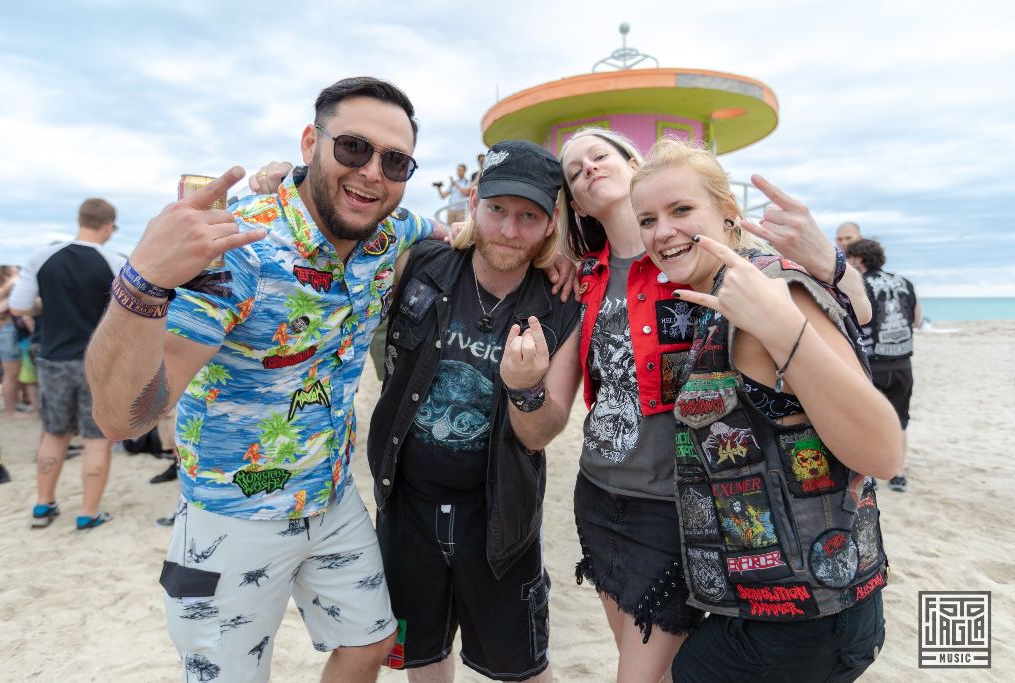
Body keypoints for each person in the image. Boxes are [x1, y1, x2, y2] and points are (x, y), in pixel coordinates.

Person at [85, 77, 450, 683]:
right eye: (354, 148)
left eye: (395, 161)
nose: (371, 173)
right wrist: (142, 283)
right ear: (312, 141)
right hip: (232, 516)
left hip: (330, 494)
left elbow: (443, 231)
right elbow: (122, 418)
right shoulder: (237, 248)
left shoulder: (388, 229)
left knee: (372, 643)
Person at [555, 128, 873, 681]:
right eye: (573, 170)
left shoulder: (708, 261)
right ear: (575, 202)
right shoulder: (582, 275)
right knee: (641, 658)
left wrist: (832, 263)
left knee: (647, 672)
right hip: (601, 496)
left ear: (636, 164)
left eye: (599, 155)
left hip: (679, 506)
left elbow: (849, 313)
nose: (587, 170)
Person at [629, 138, 901, 681]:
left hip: (806, 621)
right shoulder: (721, 293)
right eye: (647, 218)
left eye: (682, 210)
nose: (662, 231)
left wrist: (783, 327)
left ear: (729, 214)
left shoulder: (773, 290)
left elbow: (883, 450)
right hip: (776, 611)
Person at [368, 140, 581, 682]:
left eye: (529, 216)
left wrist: (524, 388)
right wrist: (281, 183)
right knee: (420, 655)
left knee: (523, 668)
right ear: (473, 199)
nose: (510, 231)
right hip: (406, 506)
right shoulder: (420, 264)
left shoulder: (561, 302)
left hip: (501, 521)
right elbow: (338, 235)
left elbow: (540, 434)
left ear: (551, 220)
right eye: (497, 210)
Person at [9, 199, 123, 529]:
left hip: (54, 357)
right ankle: (88, 512)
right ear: (107, 226)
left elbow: (19, 306)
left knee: (54, 433)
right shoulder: (114, 261)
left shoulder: (41, 257)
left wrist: (45, 307)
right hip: (97, 362)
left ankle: (43, 505)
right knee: (97, 436)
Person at [847, 238, 920, 493]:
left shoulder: (860, 282)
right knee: (900, 420)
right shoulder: (905, 283)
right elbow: (917, 320)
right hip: (902, 363)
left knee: (868, 420)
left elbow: (855, 319)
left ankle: (870, 473)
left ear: (858, 260)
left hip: (872, 362)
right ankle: (898, 475)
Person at [0, 265, 29, 418]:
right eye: (15, 273)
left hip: (11, 332)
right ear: (5, 276)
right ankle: (10, 411)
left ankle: (14, 406)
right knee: (10, 374)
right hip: (7, 332)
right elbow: (14, 283)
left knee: (15, 374)